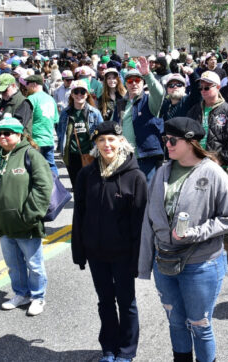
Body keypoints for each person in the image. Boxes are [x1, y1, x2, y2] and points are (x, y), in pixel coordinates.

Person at [137, 117, 228, 362]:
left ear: (191, 142)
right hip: (165, 262)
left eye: (172, 140)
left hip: (201, 264)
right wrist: (144, 264)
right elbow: (148, 221)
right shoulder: (162, 171)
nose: (167, 145)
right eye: (165, 140)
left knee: (199, 324)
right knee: (175, 322)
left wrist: (195, 233)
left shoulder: (213, 172)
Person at [72, 120, 147, 362]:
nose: (107, 145)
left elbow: (140, 222)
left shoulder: (135, 177)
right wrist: (79, 251)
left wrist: (139, 258)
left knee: (126, 302)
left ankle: (126, 351)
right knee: (105, 301)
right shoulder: (86, 174)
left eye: (111, 140)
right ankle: (109, 348)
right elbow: (79, 215)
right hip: (96, 252)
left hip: (123, 253)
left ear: (121, 142)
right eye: (101, 140)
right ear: (95, 144)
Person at [0, 117, 53, 316]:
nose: (2, 137)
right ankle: (21, 294)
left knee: (34, 264)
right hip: (2, 223)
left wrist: (30, 214)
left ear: (19, 134)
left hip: (27, 223)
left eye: (7, 133)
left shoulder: (31, 155)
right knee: (14, 265)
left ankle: (38, 297)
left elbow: (43, 186)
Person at [112, 57, 165, 181]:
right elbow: (114, 127)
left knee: (146, 195)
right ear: (126, 84)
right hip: (124, 157)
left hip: (146, 157)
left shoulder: (149, 101)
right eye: (130, 81)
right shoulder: (120, 103)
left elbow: (159, 93)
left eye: (137, 80)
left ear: (142, 83)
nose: (134, 83)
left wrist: (147, 75)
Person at [57, 80, 103, 187]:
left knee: (91, 187)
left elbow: (101, 133)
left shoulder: (95, 113)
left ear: (87, 94)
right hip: (72, 155)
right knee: (77, 187)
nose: (79, 95)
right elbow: (60, 132)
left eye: (82, 92)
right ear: (72, 94)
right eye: (76, 92)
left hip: (91, 154)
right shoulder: (65, 113)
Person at [24, 74, 60, 175]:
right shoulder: (51, 99)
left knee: (35, 167)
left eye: (28, 84)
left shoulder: (31, 99)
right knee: (51, 165)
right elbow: (55, 119)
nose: (26, 86)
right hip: (48, 138)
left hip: (35, 140)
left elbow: (26, 120)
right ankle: (56, 188)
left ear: (34, 84)